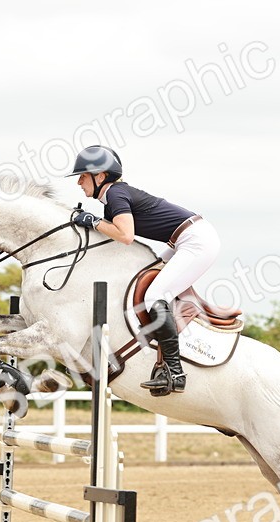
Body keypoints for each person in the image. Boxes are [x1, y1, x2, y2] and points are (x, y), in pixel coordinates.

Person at [66, 145, 220, 397]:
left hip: (195, 241)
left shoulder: (116, 194)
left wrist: (92, 221)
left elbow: (125, 236)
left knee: (154, 296)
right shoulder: (112, 198)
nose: (79, 182)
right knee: (142, 276)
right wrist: (93, 222)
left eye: (82, 176)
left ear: (100, 176)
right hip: (183, 240)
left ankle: (175, 371)